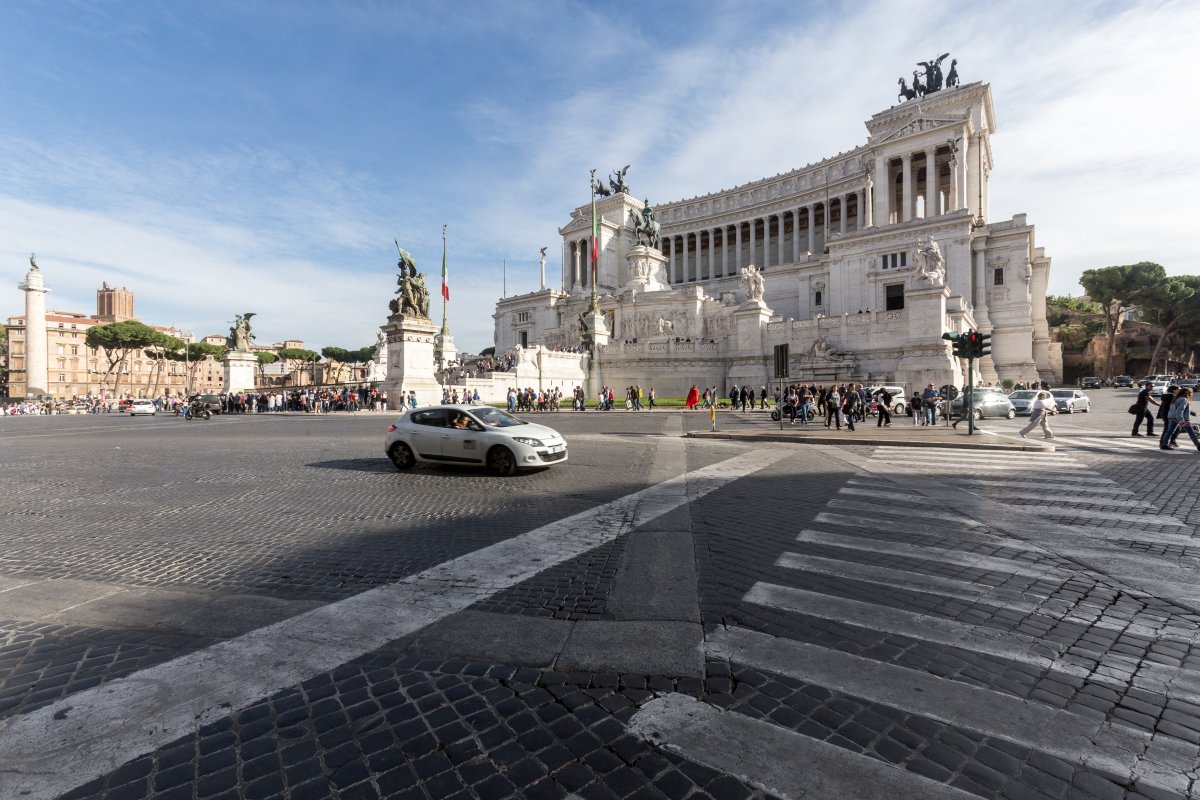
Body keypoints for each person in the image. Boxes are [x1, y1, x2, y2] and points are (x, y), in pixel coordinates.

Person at [1163, 387, 1200, 451]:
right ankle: (1198, 445)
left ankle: (1164, 445)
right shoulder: (1184, 400)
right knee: (1191, 432)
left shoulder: (1175, 398)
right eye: (1191, 393)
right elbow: (1180, 411)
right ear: (1187, 393)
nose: (1191, 394)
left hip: (1171, 417)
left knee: (1169, 432)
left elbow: (1174, 409)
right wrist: (1181, 420)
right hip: (1181, 418)